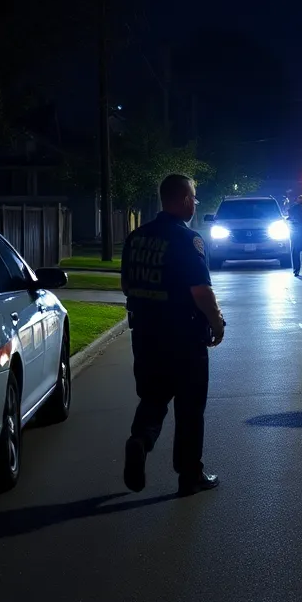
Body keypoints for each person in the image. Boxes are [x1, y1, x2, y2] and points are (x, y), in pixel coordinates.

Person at [120, 173, 226, 496]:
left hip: (145, 336)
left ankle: (140, 441)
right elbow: (201, 291)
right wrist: (217, 322)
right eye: (193, 198)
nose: (195, 203)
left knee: (152, 397)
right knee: (190, 407)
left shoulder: (136, 238)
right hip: (184, 336)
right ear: (183, 200)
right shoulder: (187, 239)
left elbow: (126, 285)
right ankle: (190, 474)